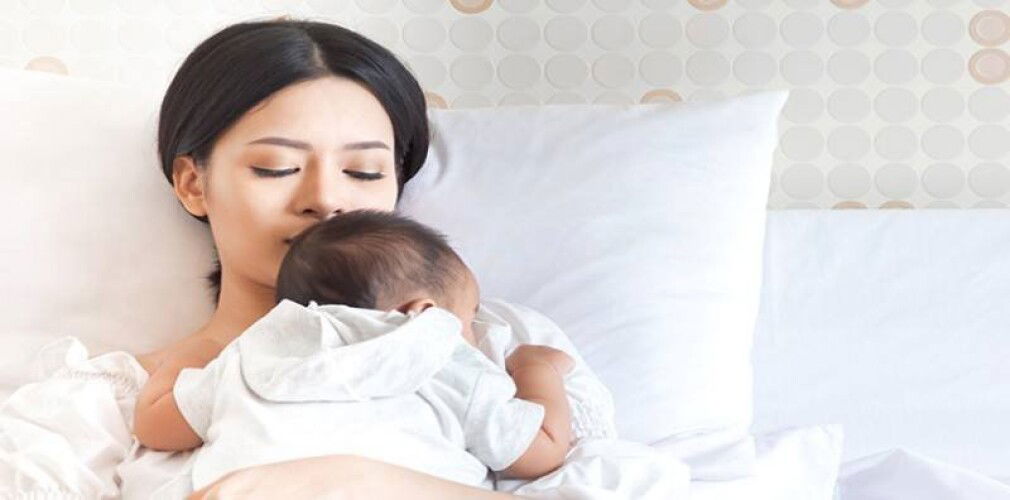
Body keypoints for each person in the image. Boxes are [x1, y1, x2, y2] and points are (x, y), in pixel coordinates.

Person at [0, 18, 620, 499]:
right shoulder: (99, 408)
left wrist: (357, 480)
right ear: (192, 184)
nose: (326, 199)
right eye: (277, 167)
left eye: (364, 171)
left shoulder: (494, 349)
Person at [132, 210, 576, 491]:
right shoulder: (444, 355)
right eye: (468, 316)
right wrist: (535, 369)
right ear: (423, 312)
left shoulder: (252, 351)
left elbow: (156, 427)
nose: (474, 334)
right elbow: (542, 451)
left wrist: (190, 356)